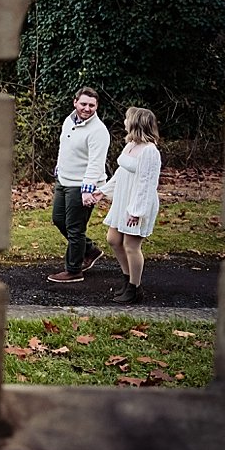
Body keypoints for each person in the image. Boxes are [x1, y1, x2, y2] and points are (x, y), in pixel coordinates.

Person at [92, 107, 162, 304]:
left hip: (138, 203)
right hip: (123, 200)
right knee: (113, 239)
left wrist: (137, 211)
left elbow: (147, 183)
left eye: (127, 119)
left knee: (131, 246)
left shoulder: (150, 151)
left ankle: (135, 287)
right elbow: (121, 173)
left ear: (136, 123)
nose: (124, 121)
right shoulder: (130, 145)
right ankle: (126, 278)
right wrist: (103, 190)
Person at [48, 87, 110, 283]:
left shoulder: (98, 131)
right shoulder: (69, 120)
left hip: (81, 185)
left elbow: (96, 163)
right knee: (59, 219)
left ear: (97, 107)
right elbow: (63, 147)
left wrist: (88, 190)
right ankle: (89, 250)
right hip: (64, 180)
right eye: (83, 104)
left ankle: (73, 270)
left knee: (75, 228)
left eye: (92, 105)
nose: (87, 108)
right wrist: (59, 166)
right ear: (75, 102)